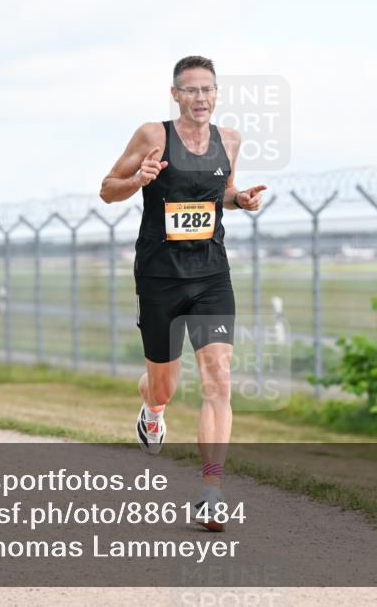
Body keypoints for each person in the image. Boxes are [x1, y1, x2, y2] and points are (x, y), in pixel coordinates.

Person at [99, 55, 267, 531]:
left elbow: (223, 193)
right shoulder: (154, 136)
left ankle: (211, 492)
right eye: (190, 90)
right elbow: (107, 188)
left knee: (218, 376)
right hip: (159, 277)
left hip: (212, 274)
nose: (200, 99)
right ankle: (152, 410)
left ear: (217, 95)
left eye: (208, 90)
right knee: (164, 385)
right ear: (175, 94)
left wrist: (242, 200)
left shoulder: (229, 141)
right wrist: (139, 180)